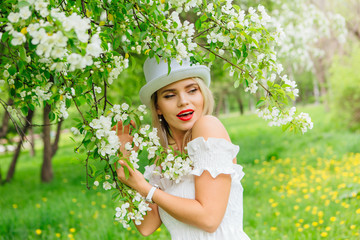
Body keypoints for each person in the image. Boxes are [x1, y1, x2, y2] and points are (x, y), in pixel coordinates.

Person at [115, 58, 250, 240]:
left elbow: (209, 219)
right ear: (158, 107)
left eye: (192, 90)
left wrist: (147, 189)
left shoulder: (208, 127)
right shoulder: (164, 157)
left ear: (202, 94)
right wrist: (125, 159)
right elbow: (147, 225)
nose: (183, 101)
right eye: (170, 95)